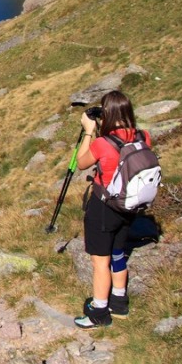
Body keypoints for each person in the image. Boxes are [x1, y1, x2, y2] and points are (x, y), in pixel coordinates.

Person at [73, 90, 151, 329]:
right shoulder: (143, 136)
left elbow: (81, 163)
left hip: (104, 208)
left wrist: (89, 130)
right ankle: (119, 302)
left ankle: (99, 312)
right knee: (119, 252)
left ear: (107, 113)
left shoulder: (101, 143)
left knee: (100, 261)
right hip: (128, 207)